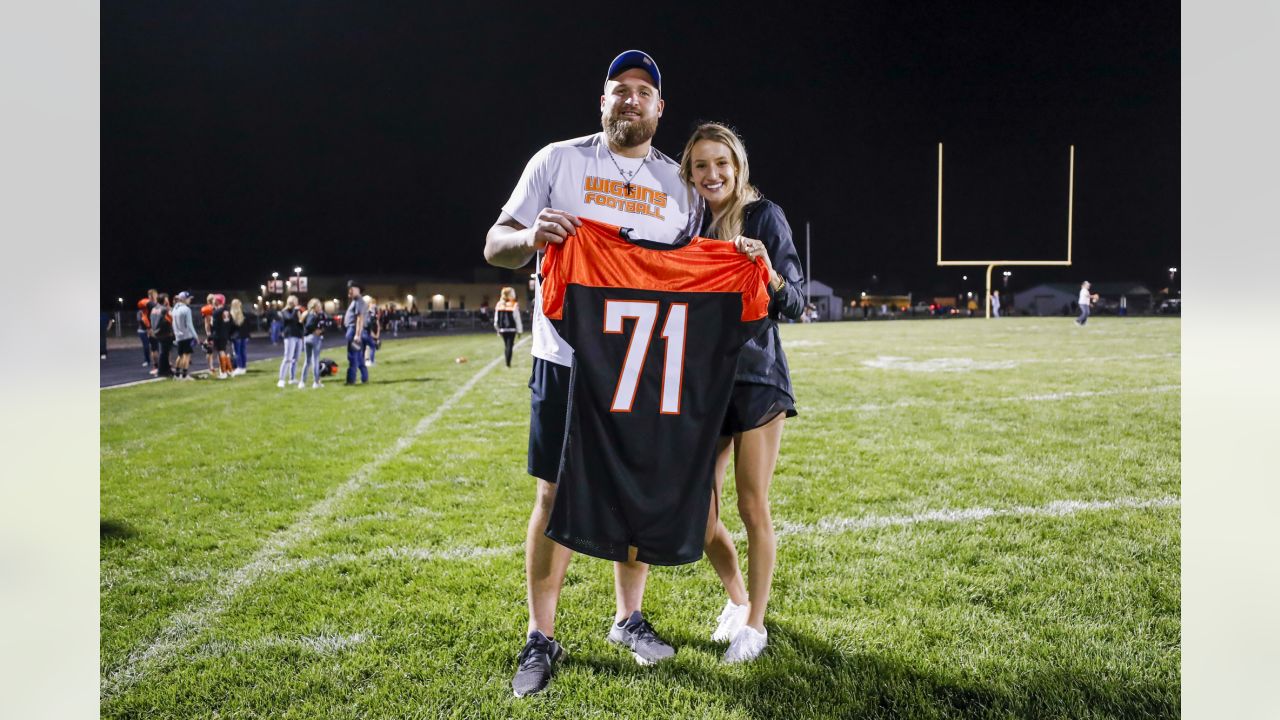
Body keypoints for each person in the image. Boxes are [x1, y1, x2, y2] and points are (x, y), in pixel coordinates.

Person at [483, 49, 703, 697]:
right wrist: (529, 239)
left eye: (644, 91)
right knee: (552, 496)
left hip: (642, 363)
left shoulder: (680, 186)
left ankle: (627, 618)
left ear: (660, 109)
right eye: (619, 89)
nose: (631, 99)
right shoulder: (557, 161)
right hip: (564, 359)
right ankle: (541, 634)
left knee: (636, 493)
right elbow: (494, 244)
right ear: (601, 101)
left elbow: (698, 271)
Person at [679, 121, 804, 664]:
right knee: (698, 514)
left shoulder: (762, 217)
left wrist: (766, 269)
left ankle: (754, 626)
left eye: (721, 164)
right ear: (689, 172)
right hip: (704, 381)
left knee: (752, 504)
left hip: (755, 378)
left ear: (738, 167)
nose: (712, 174)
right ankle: (737, 600)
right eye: (701, 165)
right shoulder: (682, 224)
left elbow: (794, 302)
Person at [343, 281, 369, 385]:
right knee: (359, 357)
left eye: (351, 288)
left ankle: (351, 380)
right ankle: (364, 378)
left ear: (358, 289)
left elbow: (360, 318)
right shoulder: (356, 301)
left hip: (354, 330)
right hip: (354, 331)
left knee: (352, 356)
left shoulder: (358, 301)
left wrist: (357, 334)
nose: (349, 291)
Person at [301, 298, 329, 389]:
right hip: (314, 338)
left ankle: (302, 382)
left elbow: (302, 324)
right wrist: (316, 331)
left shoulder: (306, 313)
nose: (320, 307)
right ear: (314, 307)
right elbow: (311, 326)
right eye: (318, 305)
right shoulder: (316, 315)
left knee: (307, 360)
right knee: (315, 360)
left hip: (306, 339)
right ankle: (316, 382)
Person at [276, 295, 304, 388]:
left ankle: (292, 378)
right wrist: (296, 311)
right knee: (288, 357)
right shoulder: (284, 312)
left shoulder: (298, 312)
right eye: (294, 302)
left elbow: (301, 323)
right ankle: (281, 379)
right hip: (290, 336)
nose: (296, 304)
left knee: (296, 358)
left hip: (298, 336)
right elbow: (289, 318)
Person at [493, 286, 523, 368]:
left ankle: (507, 362)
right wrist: (519, 331)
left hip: (502, 329)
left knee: (507, 345)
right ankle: (508, 363)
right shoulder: (514, 304)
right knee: (510, 345)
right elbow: (517, 319)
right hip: (511, 329)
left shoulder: (499, 304)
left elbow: (496, 319)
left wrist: (497, 329)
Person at [171, 291, 197, 380]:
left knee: (180, 355)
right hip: (186, 336)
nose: (190, 300)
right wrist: (195, 336)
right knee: (186, 355)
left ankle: (177, 374)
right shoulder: (186, 309)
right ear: (184, 299)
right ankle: (185, 375)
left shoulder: (174, 309)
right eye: (189, 298)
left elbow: (173, 324)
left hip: (178, 336)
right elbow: (189, 325)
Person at [150, 293, 175, 377]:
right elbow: (172, 318)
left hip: (156, 332)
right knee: (164, 353)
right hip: (165, 333)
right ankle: (162, 371)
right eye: (167, 299)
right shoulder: (165, 309)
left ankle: (166, 369)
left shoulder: (154, 309)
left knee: (164, 352)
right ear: (164, 300)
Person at [137, 289, 157, 368]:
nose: (152, 297)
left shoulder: (155, 306)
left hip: (152, 329)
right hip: (143, 330)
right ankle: (147, 360)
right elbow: (142, 320)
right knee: (146, 346)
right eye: (151, 295)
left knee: (154, 347)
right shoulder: (142, 310)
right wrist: (149, 328)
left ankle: (157, 364)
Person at [229, 298, 250, 375]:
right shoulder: (244, 314)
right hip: (244, 336)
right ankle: (243, 367)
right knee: (243, 352)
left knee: (237, 353)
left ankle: (239, 367)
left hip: (236, 337)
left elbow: (230, 327)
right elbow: (247, 326)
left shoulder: (231, 315)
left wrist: (229, 336)